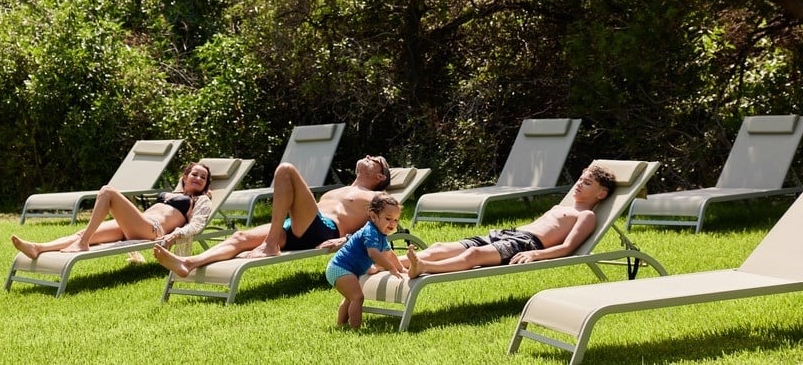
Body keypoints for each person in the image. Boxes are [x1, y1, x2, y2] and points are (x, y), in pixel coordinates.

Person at [153, 154, 391, 276]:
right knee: (240, 237)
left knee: (286, 169)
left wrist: (345, 240)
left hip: (324, 229)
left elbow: (386, 227)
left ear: (380, 176)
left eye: (374, 160)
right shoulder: (339, 190)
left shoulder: (377, 197)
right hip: (295, 226)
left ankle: (270, 244)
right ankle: (188, 263)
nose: (368, 157)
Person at [401, 164, 616, 278]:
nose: (579, 184)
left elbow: (567, 248)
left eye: (587, 183)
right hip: (509, 234)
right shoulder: (561, 207)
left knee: (473, 255)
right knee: (440, 247)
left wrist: (535, 254)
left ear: (601, 194)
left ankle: (424, 267)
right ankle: (389, 262)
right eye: (580, 179)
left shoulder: (586, 216)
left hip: (526, 244)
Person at [10, 161, 212, 259]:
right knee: (84, 232)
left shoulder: (200, 200)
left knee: (107, 191)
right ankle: (38, 248)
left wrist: (176, 234)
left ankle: (82, 243)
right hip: (137, 224)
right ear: (185, 177)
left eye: (203, 178)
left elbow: (197, 225)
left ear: (206, 184)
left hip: (152, 229)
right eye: (194, 174)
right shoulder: (173, 193)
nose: (198, 178)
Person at [325, 192, 406, 328]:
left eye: (396, 220)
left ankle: (341, 325)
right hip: (340, 268)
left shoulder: (380, 234)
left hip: (343, 269)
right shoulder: (370, 231)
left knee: (350, 298)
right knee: (357, 298)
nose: (393, 223)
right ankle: (355, 328)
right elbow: (373, 253)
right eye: (388, 218)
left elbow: (389, 254)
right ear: (373, 216)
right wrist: (391, 268)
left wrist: (401, 268)